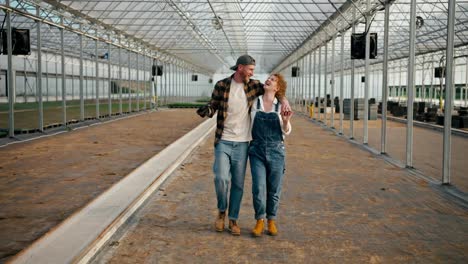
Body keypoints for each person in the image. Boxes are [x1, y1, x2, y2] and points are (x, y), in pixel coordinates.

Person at [196, 55, 291, 236]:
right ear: (240, 68)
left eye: (253, 70)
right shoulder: (222, 85)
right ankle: (222, 211)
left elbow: (275, 91)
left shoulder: (253, 86)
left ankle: (233, 220)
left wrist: (284, 100)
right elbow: (213, 105)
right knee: (221, 178)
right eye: (250, 69)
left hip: (243, 143)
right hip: (223, 139)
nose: (253, 73)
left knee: (238, 184)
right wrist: (206, 110)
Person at [249, 73, 292, 237]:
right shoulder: (254, 101)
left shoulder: (280, 106)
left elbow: (287, 132)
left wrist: (286, 121)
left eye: (273, 80)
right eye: (268, 78)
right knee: (258, 188)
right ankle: (259, 220)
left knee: (274, 189)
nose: (268, 80)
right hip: (256, 150)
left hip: (276, 150)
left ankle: (271, 220)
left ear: (278, 87)